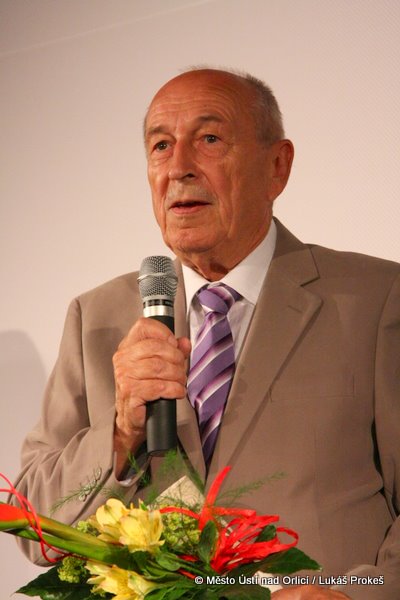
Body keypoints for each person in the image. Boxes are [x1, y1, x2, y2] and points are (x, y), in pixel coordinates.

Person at [14, 68, 400, 599]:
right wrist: (120, 434)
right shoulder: (96, 318)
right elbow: (33, 526)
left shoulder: (377, 300)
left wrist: (360, 593)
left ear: (278, 166)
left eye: (210, 139)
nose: (178, 168)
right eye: (161, 146)